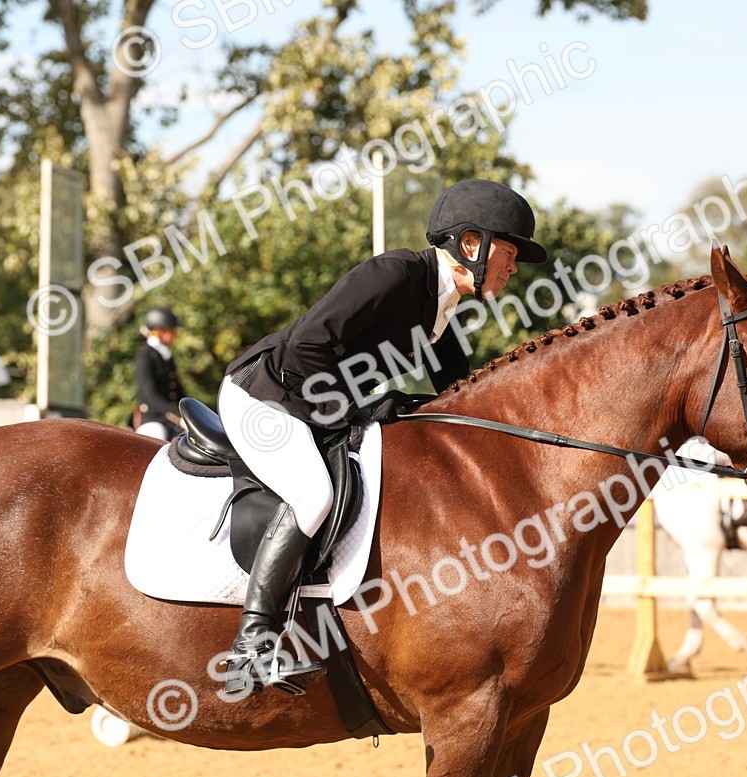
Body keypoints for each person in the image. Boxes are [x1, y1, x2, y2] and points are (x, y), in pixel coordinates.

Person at [216, 178, 548, 695]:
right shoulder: (394, 274)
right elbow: (307, 348)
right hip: (265, 397)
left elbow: (460, 394)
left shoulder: (441, 307)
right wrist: (366, 406)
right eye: (508, 253)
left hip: (312, 406)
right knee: (313, 495)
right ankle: (252, 644)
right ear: (470, 245)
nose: (513, 268)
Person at [134, 307, 186, 441]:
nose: (175, 334)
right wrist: (177, 416)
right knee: (158, 443)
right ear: (158, 331)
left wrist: (190, 411)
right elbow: (151, 396)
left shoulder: (167, 356)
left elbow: (178, 392)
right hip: (153, 419)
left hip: (171, 420)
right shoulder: (145, 357)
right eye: (171, 330)